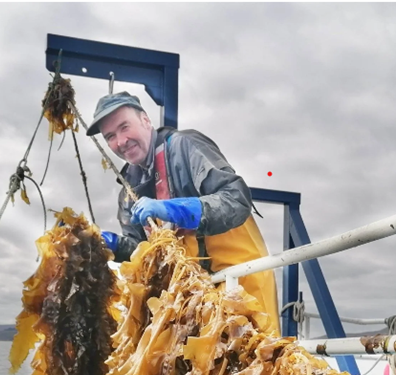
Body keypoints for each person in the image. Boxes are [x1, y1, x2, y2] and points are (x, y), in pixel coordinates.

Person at [86, 91, 280, 333]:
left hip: (240, 282)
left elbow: (236, 199)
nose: (121, 141)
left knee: (259, 364)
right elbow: (140, 251)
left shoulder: (184, 146)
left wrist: (174, 209)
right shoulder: (128, 190)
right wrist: (109, 244)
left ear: (146, 120)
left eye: (125, 127)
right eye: (110, 137)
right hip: (192, 301)